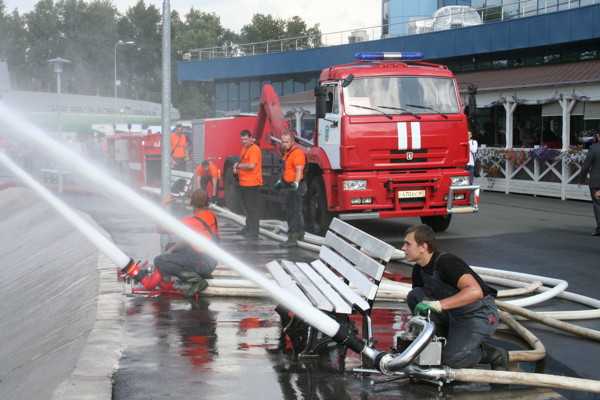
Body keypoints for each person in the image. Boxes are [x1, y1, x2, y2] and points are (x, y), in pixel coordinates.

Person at [402, 224, 508, 370]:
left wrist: (438, 305)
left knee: (452, 359)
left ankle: (494, 355)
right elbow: (418, 299)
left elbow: (475, 291)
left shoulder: (447, 263)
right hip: (453, 313)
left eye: (407, 244)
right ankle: (443, 342)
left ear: (423, 247)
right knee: (415, 296)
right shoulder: (419, 269)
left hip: (477, 314)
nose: (403, 248)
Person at [154, 189, 219, 297]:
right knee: (170, 247)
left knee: (159, 261)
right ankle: (200, 275)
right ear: (208, 203)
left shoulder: (191, 222)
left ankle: (197, 281)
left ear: (191, 203)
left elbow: (160, 229)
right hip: (210, 260)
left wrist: (163, 204)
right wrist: (171, 250)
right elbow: (188, 240)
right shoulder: (211, 215)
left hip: (202, 263)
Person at [273, 133, 307, 247]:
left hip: (295, 186)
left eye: (286, 142)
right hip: (288, 184)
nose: (284, 144)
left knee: (293, 212)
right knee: (295, 210)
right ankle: (300, 234)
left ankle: (292, 237)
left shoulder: (297, 153)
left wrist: (296, 183)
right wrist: (279, 182)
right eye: (282, 142)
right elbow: (285, 171)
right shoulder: (287, 154)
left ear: (292, 142)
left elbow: (299, 170)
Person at [233, 129, 262, 239]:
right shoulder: (245, 148)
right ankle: (248, 227)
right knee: (247, 207)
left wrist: (238, 166)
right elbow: (244, 163)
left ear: (250, 138)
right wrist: (236, 167)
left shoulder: (254, 149)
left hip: (252, 182)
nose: (244, 141)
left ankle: (254, 231)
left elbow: (251, 166)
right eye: (242, 139)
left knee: (252, 207)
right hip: (244, 182)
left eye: (246, 139)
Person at [577, 130, 600, 236]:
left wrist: (581, 179)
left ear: (598, 136)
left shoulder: (593, 148)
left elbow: (586, 165)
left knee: (598, 205)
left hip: (596, 181)